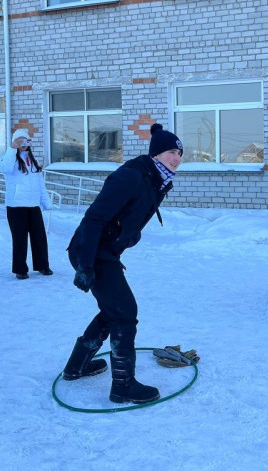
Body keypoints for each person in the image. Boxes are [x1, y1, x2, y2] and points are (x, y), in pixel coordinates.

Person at [62, 123, 182, 404]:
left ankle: (76, 366)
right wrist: (85, 266)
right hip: (91, 251)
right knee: (125, 312)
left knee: (113, 310)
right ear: (156, 154)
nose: (177, 158)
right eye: (171, 152)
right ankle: (123, 386)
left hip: (105, 251)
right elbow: (94, 218)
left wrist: (128, 235)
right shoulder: (131, 177)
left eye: (179, 153)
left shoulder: (154, 179)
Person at [0, 128, 53, 280]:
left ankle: (42, 265)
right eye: (19, 140)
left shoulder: (33, 161)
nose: (23, 143)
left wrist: (46, 202)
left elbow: (40, 185)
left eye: (26, 140)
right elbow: (5, 168)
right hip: (16, 206)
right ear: (14, 142)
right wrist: (12, 149)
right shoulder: (8, 158)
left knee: (39, 237)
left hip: (33, 205)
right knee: (20, 239)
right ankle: (20, 269)